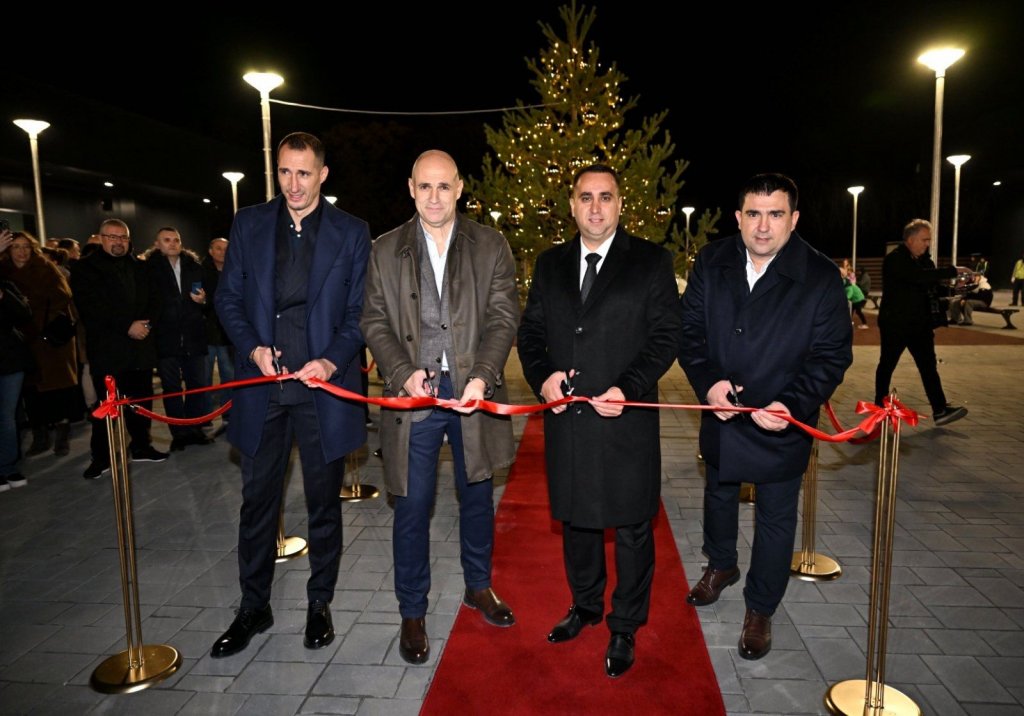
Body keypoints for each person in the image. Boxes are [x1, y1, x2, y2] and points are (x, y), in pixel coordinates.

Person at [678, 173, 852, 661]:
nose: (762, 226)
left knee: (776, 516)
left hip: (781, 418)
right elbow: (689, 332)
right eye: (753, 214)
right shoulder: (711, 261)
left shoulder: (819, 275)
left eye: (775, 214)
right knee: (718, 492)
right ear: (738, 217)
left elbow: (832, 355)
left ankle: (761, 607)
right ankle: (721, 565)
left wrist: (793, 405)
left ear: (793, 220)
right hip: (722, 409)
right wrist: (709, 383)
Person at [517, 164, 681, 678]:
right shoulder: (550, 264)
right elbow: (530, 333)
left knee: (632, 527)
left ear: (619, 204)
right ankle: (585, 605)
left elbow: (666, 337)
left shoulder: (651, 261)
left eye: (605, 196)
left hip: (625, 419)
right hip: (568, 421)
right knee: (577, 521)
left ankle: (625, 624)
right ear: (571, 205)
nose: (595, 206)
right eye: (585, 197)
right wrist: (543, 378)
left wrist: (628, 388)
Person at [212, 131, 371, 658]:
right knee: (257, 503)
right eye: (285, 172)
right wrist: (254, 348)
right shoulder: (250, 223)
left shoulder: (352, 232)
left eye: (304, 173)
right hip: (264, 387)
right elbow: (229, 298)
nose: (293, 184)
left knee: (324, 504)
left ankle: (319, 602)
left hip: (323, 388)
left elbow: (360, 313)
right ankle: (253, 606)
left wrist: (330, 361)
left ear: (322, 174)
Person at [361, 150, 519, 665]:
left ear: (459, 188)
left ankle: (479, 586)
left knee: (477, 495)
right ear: (411, 188)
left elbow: (503, 316)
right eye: (425, 186)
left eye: (444, 186)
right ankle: (413, 610)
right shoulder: (385, 249)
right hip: (414, 397)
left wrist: (483, 376)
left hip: (473, 391)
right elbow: (373, 320)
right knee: (411, 505)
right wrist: (402, 371)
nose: (434, 197)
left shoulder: (490, 245)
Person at [70, 220, 167, 479]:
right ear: (101, 238)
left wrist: (145, 324)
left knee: (141, 402)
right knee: (106, 406)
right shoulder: (84, 268)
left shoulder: (142, 267)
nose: (118, 242)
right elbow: (90, 307)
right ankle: (101, 457)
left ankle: (141, 446)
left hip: (140, 348)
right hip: (108, 350)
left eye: (123, 237)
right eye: (112, 237)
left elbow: (156, 300)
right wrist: (127, 326)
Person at [874, 219, 968, 426]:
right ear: (911, 239)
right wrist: (953, 271)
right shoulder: (895, 260)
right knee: (887, 365)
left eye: (929, 240)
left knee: (928, 367)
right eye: (924, 240)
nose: (927, 244)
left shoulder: (926, 262)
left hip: (920, 326)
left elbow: (931, 286)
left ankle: (940, 410)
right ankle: (879, 407)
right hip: (896, 325)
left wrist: (957, 290)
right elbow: (916, 277)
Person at [0, 232, 80, 457]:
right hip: (21, 340)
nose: (21, 251)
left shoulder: (45, 268)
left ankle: (62, 435)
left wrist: (33, 310)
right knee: (32, 392)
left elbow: (62, 296)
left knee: (57, 389)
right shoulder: (4, 271)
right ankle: (40, 435)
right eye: (16, 247)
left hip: (50, 338)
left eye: (26, 246)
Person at [145, 227, 213, 451]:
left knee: (197, 386)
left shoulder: (195, 267)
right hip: (165, 338)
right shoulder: (148, 269)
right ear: (157, 244)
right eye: (167, 240)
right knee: (172, 389)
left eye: (176, 240)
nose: (172, 243)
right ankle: (179, 433)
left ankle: (195, 429)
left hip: (194, 336)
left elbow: (211, 300)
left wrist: (203, 301)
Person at [1, 228, 33, 491]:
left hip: (9, 359)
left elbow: (23, 314)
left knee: (7, 416)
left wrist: (4, 297)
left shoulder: (6, 284)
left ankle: (8, 466)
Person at [202, 238, 233, 436]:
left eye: (226, 249)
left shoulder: (235, 271)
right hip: (205, 335)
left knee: (229, 378)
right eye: (218, 248)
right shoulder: (201, 272)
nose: (222, 252)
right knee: (204, 380)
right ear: (211, 251)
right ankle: (205, 419)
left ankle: (229, 418)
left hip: (227, 335)